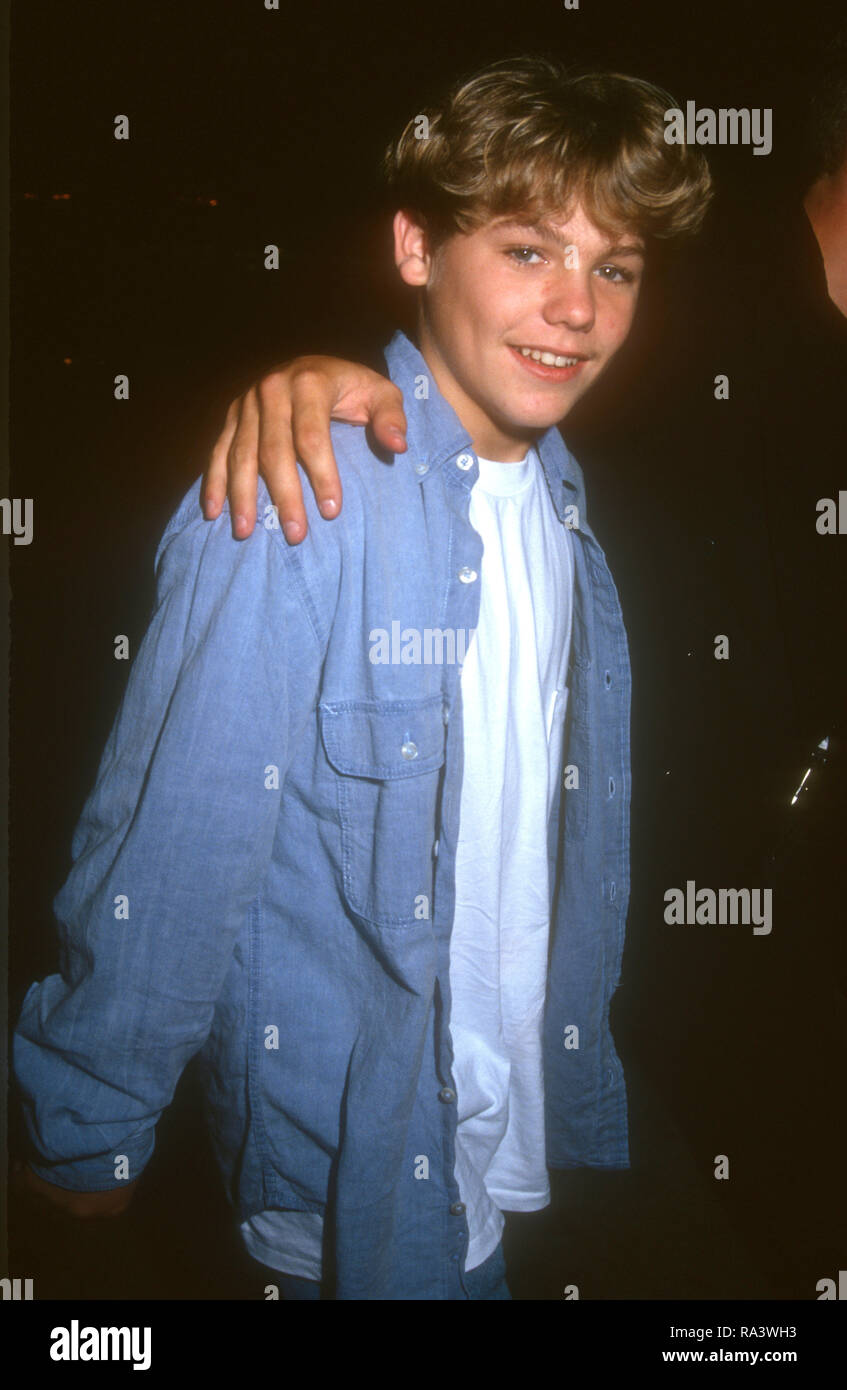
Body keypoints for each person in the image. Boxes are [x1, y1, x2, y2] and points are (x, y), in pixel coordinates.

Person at [12, 55, 711, 1299]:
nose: (577, 308)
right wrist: (88, 1114)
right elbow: (177, 837)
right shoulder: (307, 491)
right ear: (414, 247)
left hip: (492, 1143)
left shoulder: (560, 502)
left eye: (615, 268)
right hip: (355, 1175)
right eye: (528, 251)